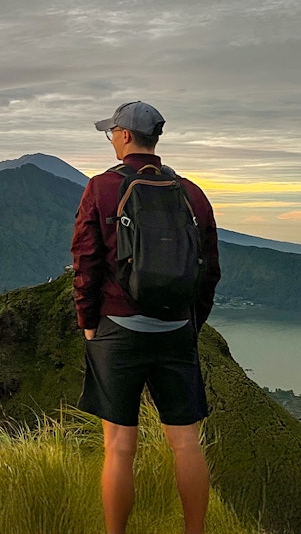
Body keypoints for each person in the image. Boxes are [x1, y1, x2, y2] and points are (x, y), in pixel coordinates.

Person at [71, 101, 221, 534]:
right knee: (186, 443)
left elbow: (86, 261)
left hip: (118, 329)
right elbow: (209, 267)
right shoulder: (191, 192)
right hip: (177, 329)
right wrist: (192, 321)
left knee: (119, 447)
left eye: (111, 132)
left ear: (122, 136)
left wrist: (88, 321)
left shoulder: (101, 188)